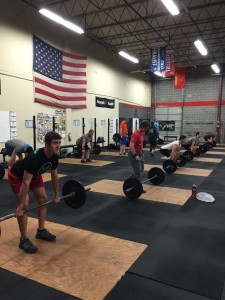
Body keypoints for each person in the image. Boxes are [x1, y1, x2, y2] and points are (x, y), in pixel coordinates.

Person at [7, 131, 62, 253]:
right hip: (17, 176)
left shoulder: (54, 156)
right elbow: (26, 182)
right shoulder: (34, 158)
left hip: (34, 176)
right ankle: (23, 239)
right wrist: (21, 206)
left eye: (59, 142)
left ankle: (41, 231)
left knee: (43, 198)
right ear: (46, 145)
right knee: (25, 204)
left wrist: (56, 194)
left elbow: (54, 175)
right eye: (55, 143)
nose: (58, 146)